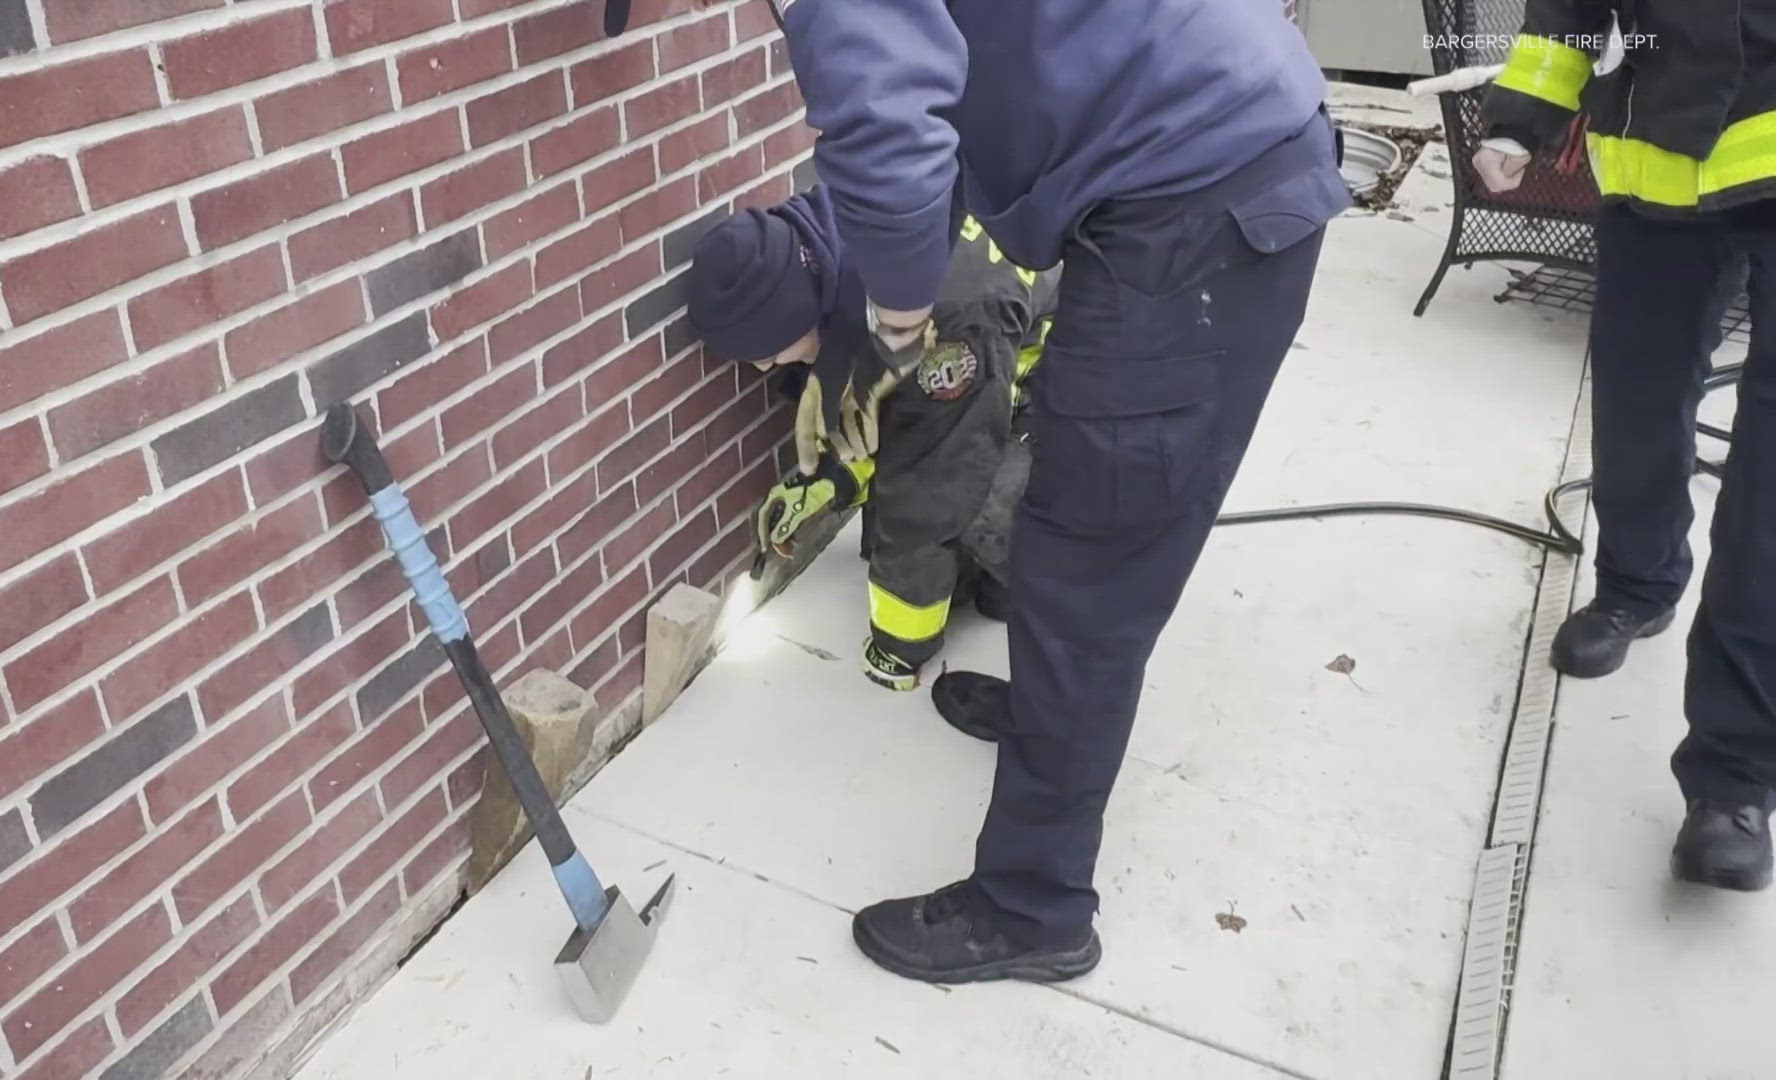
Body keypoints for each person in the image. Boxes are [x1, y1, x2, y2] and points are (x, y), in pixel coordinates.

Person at [766, 0, 1349, 983]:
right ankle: (1048, 716)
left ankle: (1032, 909)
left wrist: (895, 331)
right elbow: (934, 130)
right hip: (1189, 151)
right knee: (1068, 500)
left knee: (1094, 564)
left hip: (1199, 193)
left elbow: (893, 140)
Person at [1478, 4, 1776, 891]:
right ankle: (1636, 587)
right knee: (1638, 402)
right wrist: (1521, 122)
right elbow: (1569, 9)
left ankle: (1734, 778)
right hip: (1658, 166)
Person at [686, 185, 1057, 694]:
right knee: (905, 517)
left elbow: (936, 477)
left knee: (970, 516)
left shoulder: (950, 319)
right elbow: (888, 397)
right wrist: (832, 477)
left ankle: (1037, 569)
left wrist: (898, 649)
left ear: (799, 307)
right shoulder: (843, 249)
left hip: (1073, 404)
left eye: (768, 349)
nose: (763, 367)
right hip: (993, 370)